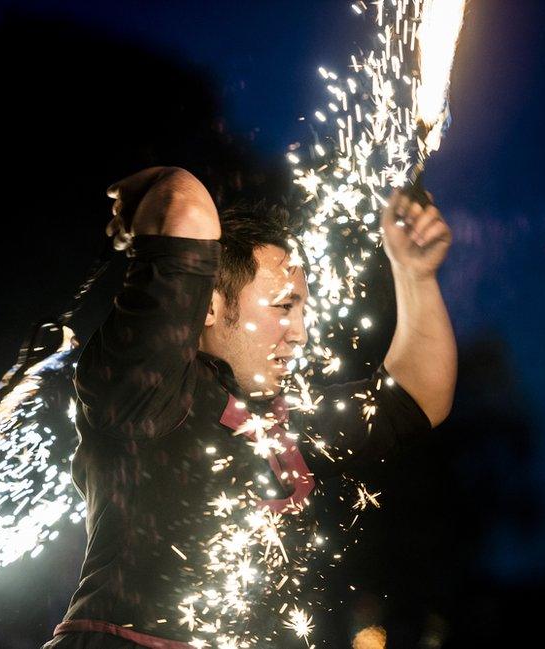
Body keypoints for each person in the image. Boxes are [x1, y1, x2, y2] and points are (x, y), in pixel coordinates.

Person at [42, 167, 457, 648]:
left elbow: (420, 397)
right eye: (283, 306)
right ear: (210, 305)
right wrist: (161, 182)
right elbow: (187, 208)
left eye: (303, 310)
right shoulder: (145, 384)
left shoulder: (285, 421)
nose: (299, 333)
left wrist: (413, 272)